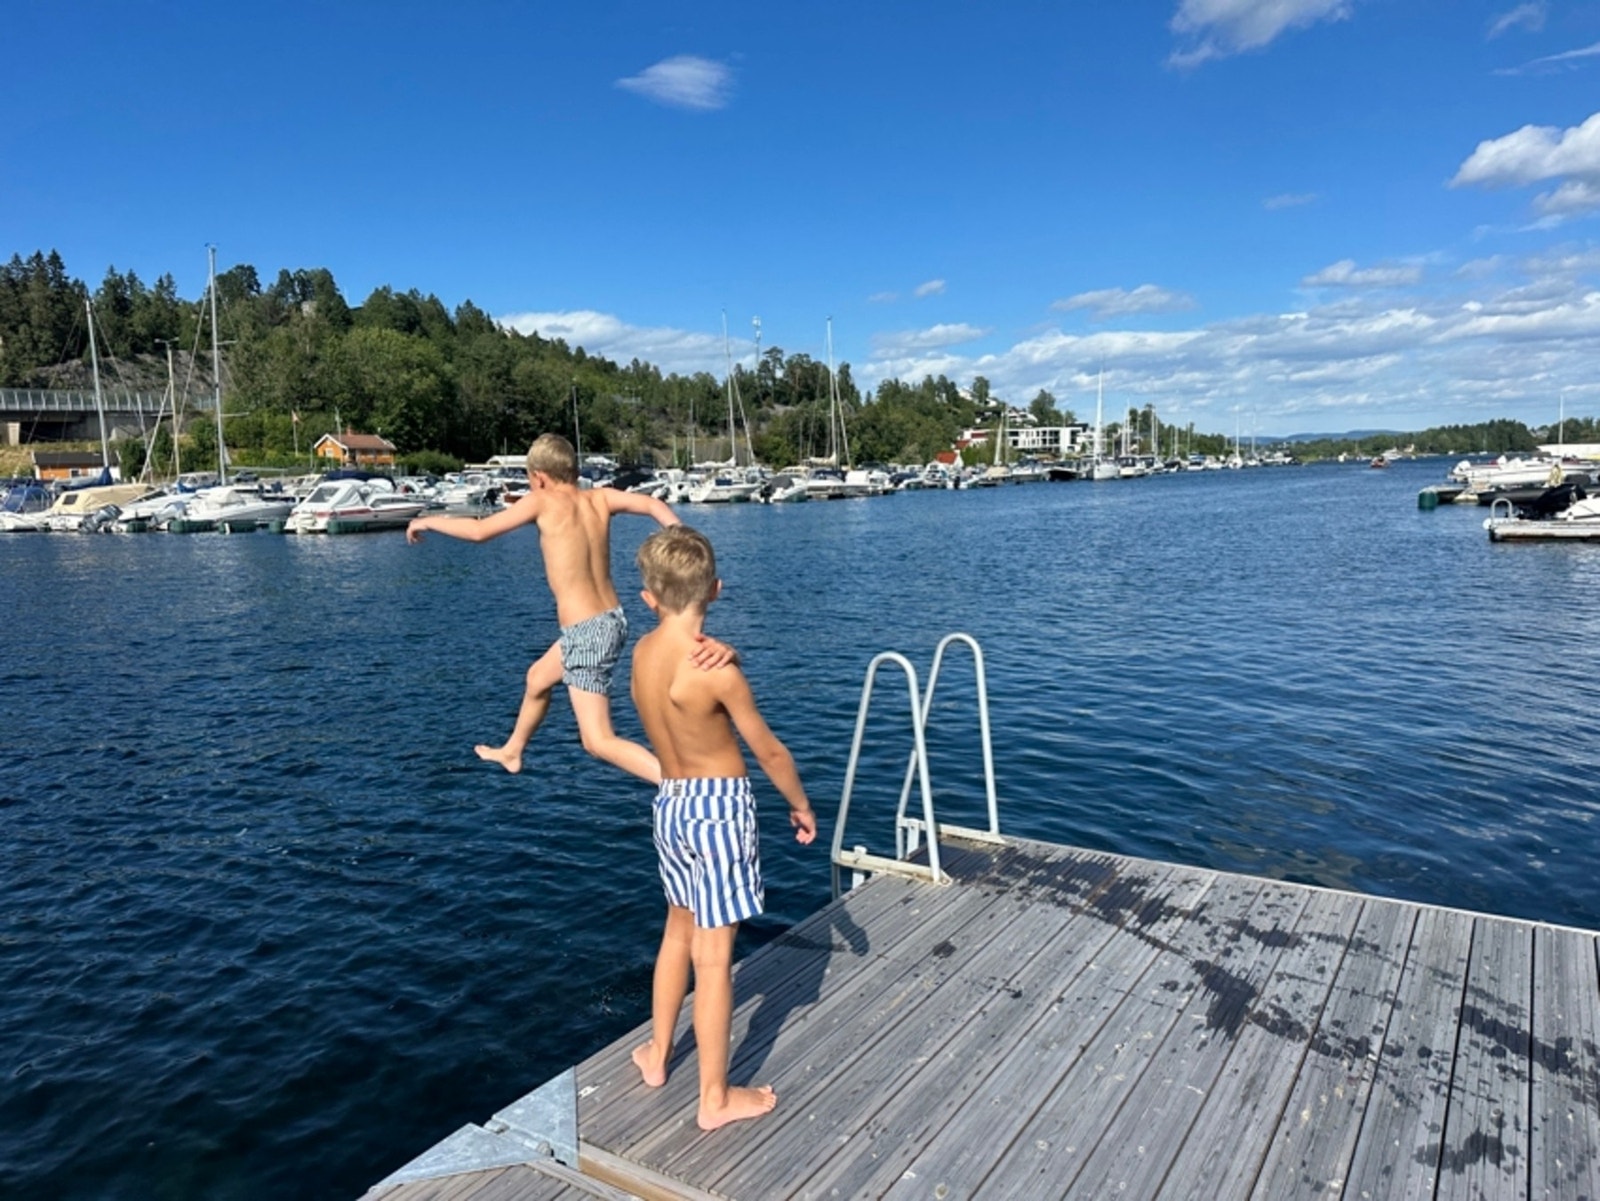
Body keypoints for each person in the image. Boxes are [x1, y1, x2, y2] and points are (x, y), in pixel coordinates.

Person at [626, 525, 817, 1130]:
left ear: (648, 598)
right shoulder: (718, 671)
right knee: (713, 957)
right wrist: (800, 804)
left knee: (676, 930)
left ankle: (658, 1054)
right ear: (716, 589)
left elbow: (674, 665)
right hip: (718, 808)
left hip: (671, 802)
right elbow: (770, 751)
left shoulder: (641, 654)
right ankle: (714, 1098)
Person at [405, 434, 727, 781]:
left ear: (539, 477)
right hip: (610, 621)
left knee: (597, 740)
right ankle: (512, 751)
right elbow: (651, 504)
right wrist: (682, 536)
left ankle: (680, 785)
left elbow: (480, 531)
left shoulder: (540, 501)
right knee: (537, 679)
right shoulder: (599, 498)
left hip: (587, 632)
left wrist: (428, 520)